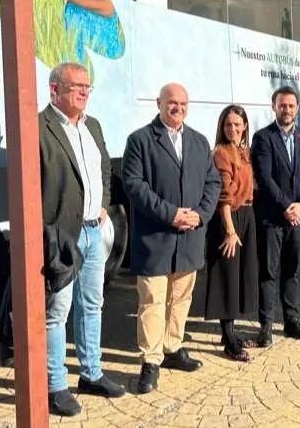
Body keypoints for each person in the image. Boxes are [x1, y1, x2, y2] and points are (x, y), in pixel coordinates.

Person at [122, 83, 221, 394]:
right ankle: (151, 361)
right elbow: (134, 186)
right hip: (156, 237)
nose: (177, 108)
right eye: (172, 102)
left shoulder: (199, 141)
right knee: (152, 301)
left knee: (181, 297)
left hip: (190, 237)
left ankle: (172, 347)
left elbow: (212, 182)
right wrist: (171, 214)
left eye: (183, 103)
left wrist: (201, 214)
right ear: (159, 103)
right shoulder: (139, 140)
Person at [39, 62, 125, 416]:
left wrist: (103, 203)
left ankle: (91, 374)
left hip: (94, 230)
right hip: (62, 234)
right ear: (54, 89)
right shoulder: (40, 128)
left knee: (93, 304)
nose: (84, 92)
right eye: (77, 86)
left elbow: (104, 166)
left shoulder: (94, 126)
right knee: (57, 311)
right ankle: (54, 385)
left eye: (88, 87)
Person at [251, 86, 300, 346]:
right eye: (282, 105)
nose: (286, 109)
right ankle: (266, 326)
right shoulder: (263, 138)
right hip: (272, 218)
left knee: (292, 272)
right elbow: (265, 178)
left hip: (298, 219)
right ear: (273, 107)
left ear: (297, 108)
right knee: (268, 273)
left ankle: (291, 321)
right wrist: (287, 206)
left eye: (291, 105)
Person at [204, 105, 259, 362]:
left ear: (245, 126)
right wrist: (229, 230)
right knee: (227, 277)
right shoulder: (221, 153)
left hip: (246, 216)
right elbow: (223, 196)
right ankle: (229, 341)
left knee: (239, 276)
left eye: (237, 124)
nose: (233, 129)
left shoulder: (244, 152)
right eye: (228, 125)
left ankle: (230, 334)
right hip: (229, 219)